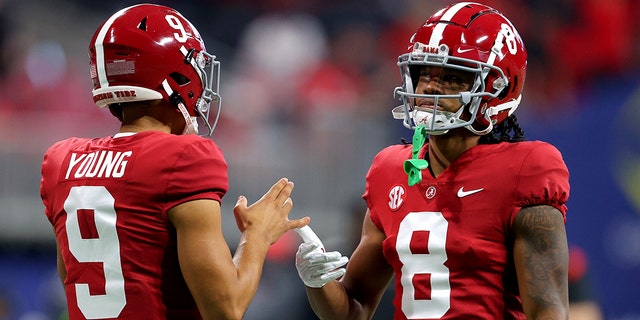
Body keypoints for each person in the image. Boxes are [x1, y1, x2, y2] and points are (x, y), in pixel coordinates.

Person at [295, 2, 570, 319]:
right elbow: (353, 310)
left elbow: (548, 312)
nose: (429, 87)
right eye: (423, 72)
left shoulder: (526, 167)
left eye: (452, 76)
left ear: (499, 90)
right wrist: (317, 281)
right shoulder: (389, 169)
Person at [40, 4, 309, 320]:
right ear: (176, 76)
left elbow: (74, 278)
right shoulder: (183, 157)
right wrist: (258, 235)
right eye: (196, 67)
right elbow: (225, 310)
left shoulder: (62, 160)